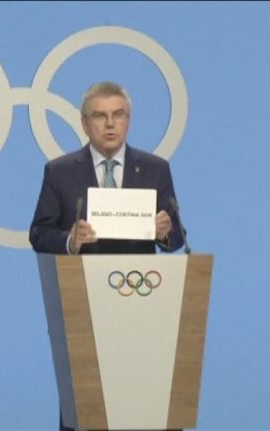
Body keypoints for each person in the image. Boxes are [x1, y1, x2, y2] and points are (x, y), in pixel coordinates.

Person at [29, 81, 185, 431]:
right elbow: (38, 233)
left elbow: (177, 236)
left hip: (141, 307)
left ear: (129, 120)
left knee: (140, 408)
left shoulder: (155, 169)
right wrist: (70, 240)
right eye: (100, 116)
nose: (110, 124)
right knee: (85, 411)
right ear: (85, 123)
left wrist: (164, 232)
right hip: (82, 308)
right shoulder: (60, 171)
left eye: (119, 115)